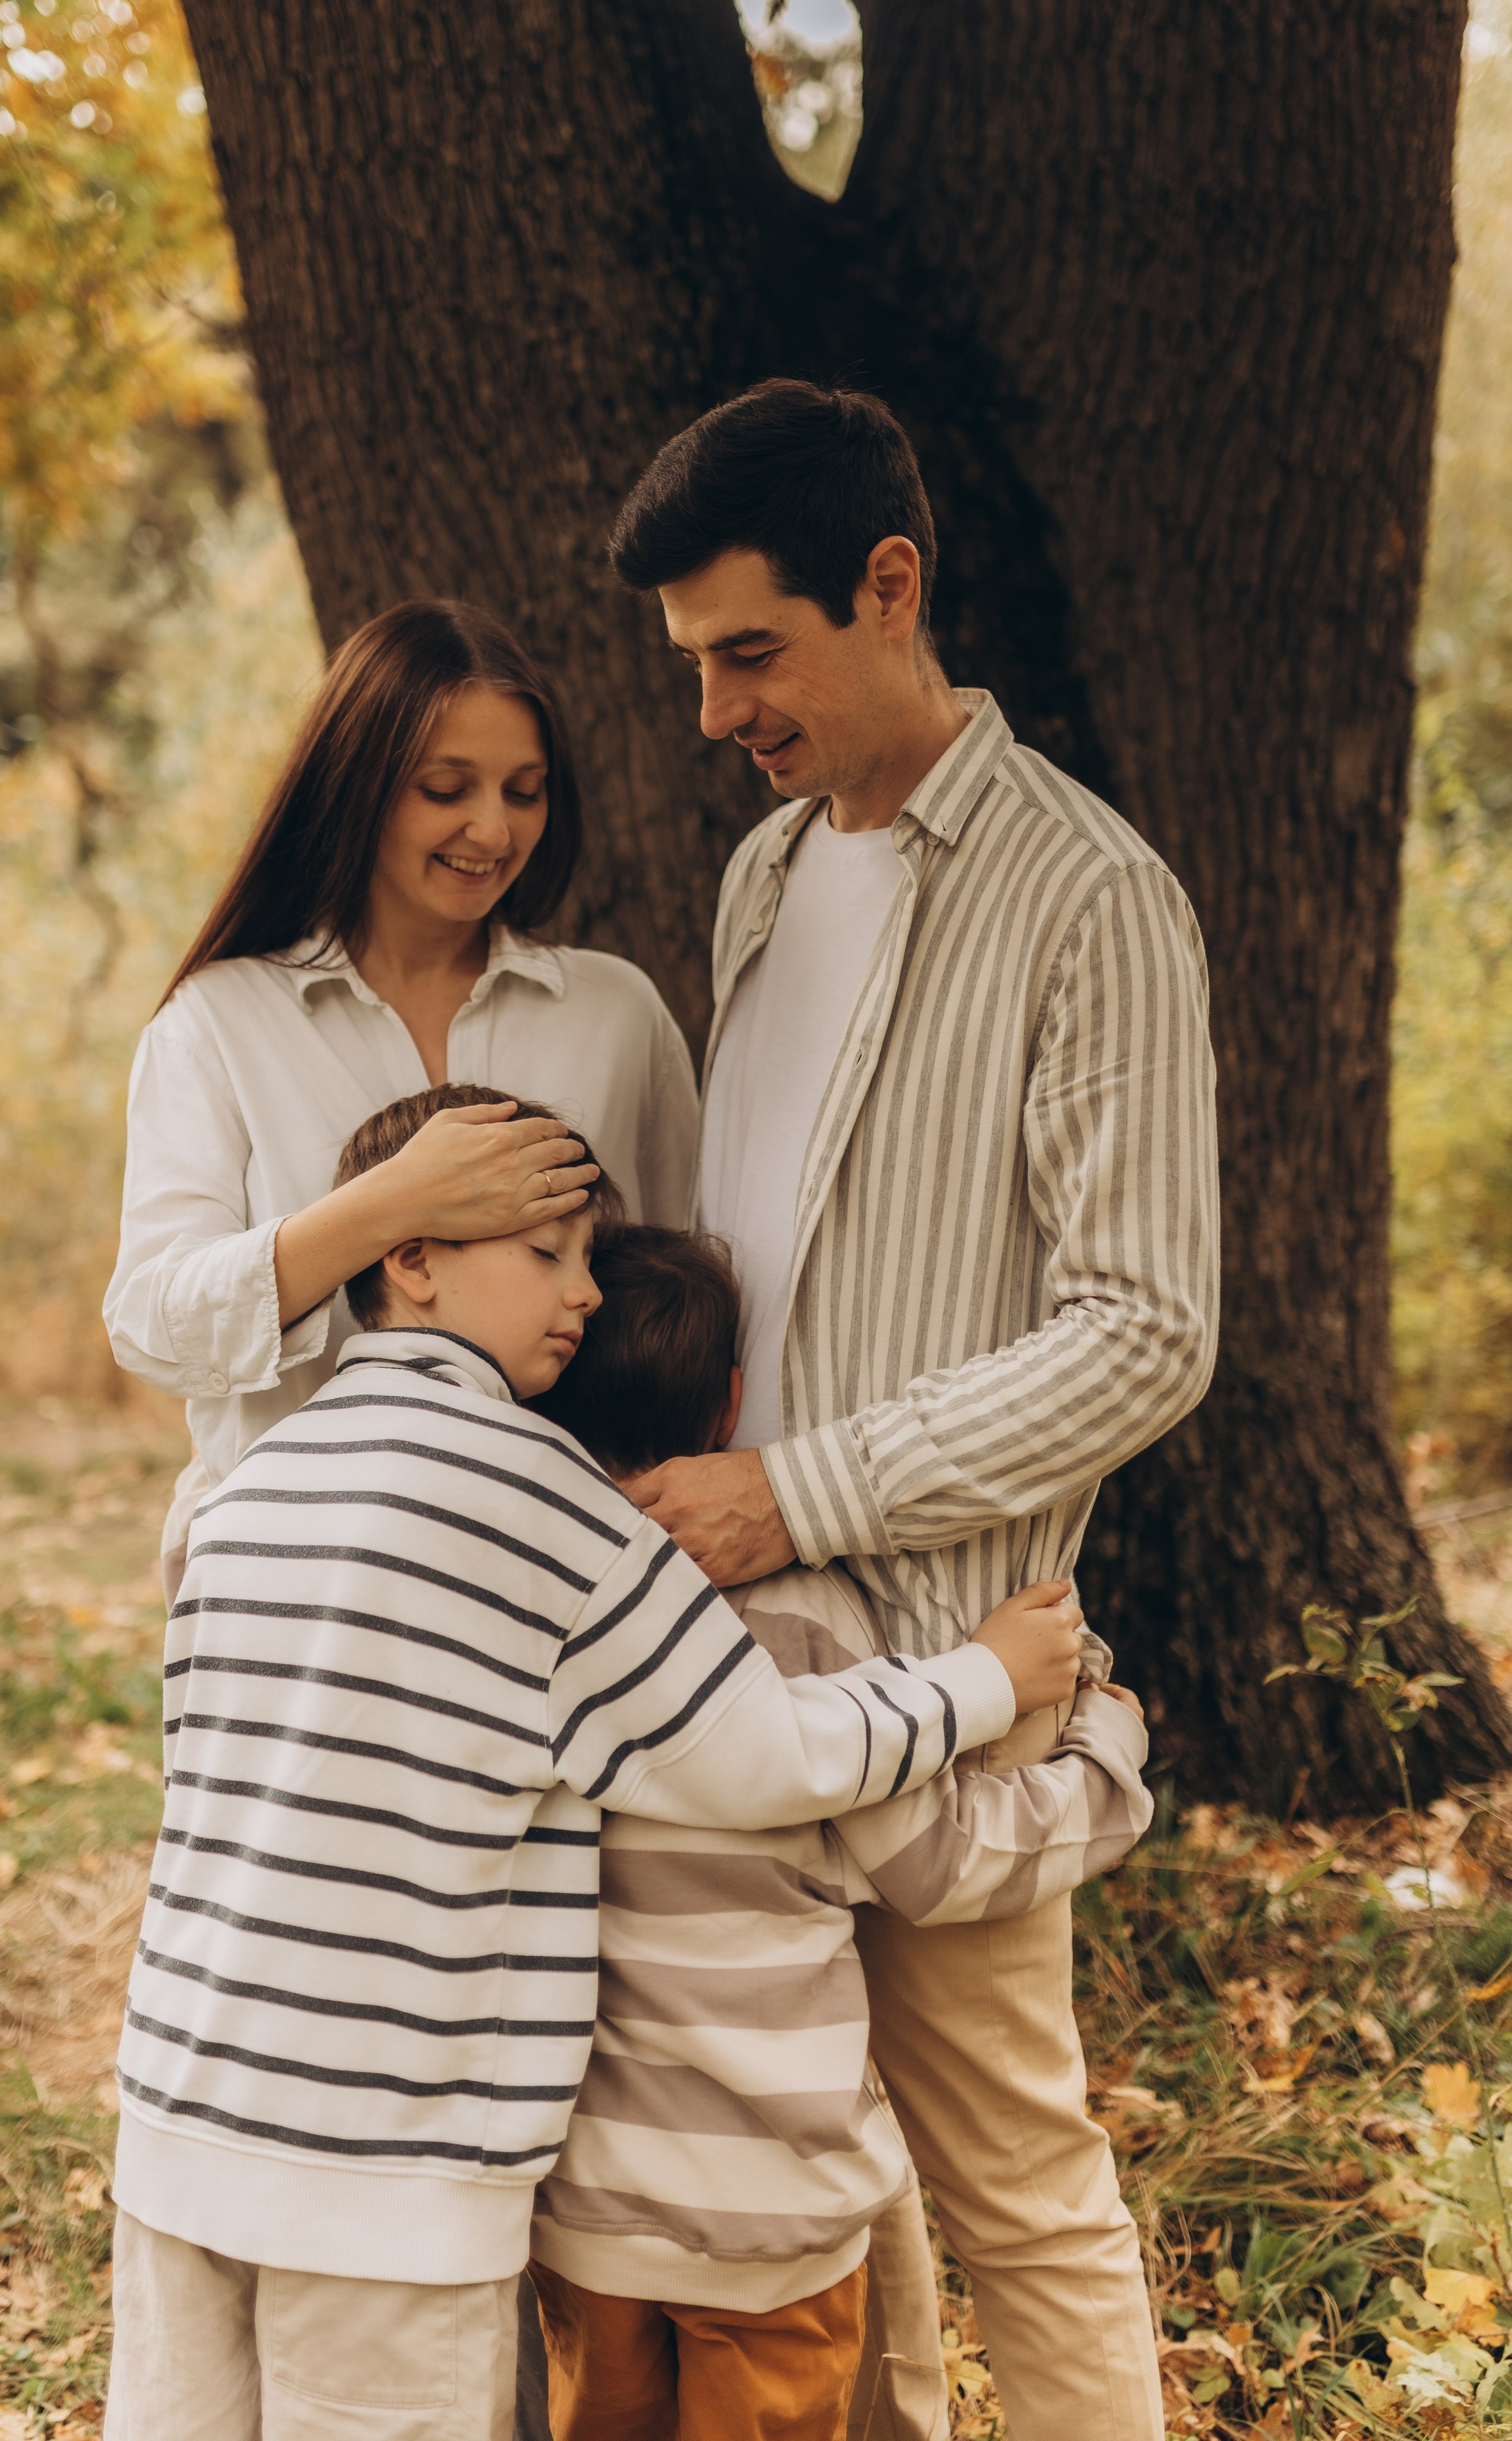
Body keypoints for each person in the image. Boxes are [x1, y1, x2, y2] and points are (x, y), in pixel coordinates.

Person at [104, 1088, 1082, 2441]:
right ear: (412, 1257)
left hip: (177, 2118)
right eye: (544, 1252)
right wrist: (984, 1680)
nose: (581, 1298)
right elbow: (766, 1756)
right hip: (386, 2167)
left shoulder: (244, 1488)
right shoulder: (542, 1502)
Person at [608, 380, 1222, 2438]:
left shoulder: (1090, 897)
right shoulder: (763, 881)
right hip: (741, 1682)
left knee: (1017, 2193)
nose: (716, 715)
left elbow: (1150, 1328)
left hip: (957, 1665)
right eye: (695, 666)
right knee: (817, 2213)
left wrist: (809, 1491)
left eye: (750, 656)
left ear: (891, 588)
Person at [527, 1227, 1153, 2441]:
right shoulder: (804, 1625)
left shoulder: (528, 1599)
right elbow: (945, 1861)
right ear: (733, 1404)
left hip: (585, 2207)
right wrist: (1107, 1755)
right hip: (772, 2216)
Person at [102, 598, 698, 1606]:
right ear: (360, 786)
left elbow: (673, 1302)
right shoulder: (220, 1022)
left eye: (526, 791)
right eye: (445, 789)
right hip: (298, 1595)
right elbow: (154, 1327)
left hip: (557, 1587)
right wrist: (392, 1205)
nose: (493, 829)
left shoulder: (616, 1014)